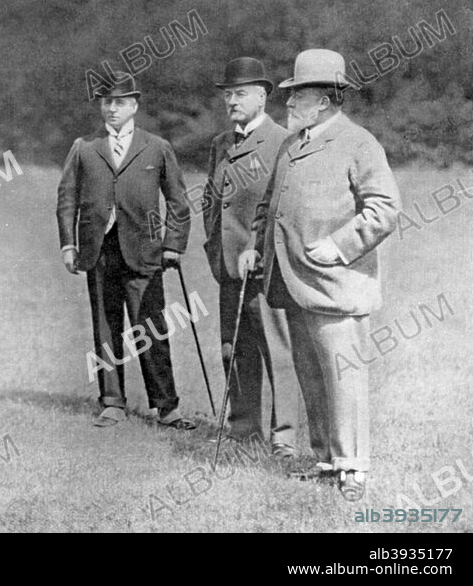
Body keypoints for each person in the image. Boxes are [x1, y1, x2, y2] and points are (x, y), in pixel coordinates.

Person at [239, 49, 400, 501]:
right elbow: (269, 206)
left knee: (343, 375)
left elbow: (384, 208)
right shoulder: (294, 144)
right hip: (291, 283)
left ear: (325, 101)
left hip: (335, 285)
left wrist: (338, 246)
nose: (287, 105)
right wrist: (255, 247)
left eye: (296, 97)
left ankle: (353, 466)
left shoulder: (359, 143)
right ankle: (327, 459)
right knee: (312, 374)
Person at [57, 73, 195, 430]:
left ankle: (166, 407)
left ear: (134, 106)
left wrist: (173, 245)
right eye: (107, 102)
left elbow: (179, 202)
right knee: (105, 328)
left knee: (151, 327)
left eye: (120, 102)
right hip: (99, 251)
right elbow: (66, 199)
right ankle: (112, 402)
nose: (112, 108)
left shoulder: (157, 146)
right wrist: (69, 244)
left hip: (146, 253)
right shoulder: (84, 147)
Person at [203, 57, 300, 459]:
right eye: (228, 95)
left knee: (276, 351)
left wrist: (259, 251)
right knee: (233, 350)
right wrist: (214, 246)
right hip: (228, 267)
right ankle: (244, 428)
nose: (232, 101)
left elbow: (283, 206)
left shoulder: (283, 141)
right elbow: (212, 201)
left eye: (240, 93)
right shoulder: (221, 145)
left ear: (262, 97)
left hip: (265, 268)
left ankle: (285, 438)